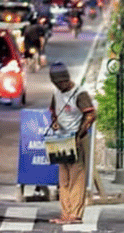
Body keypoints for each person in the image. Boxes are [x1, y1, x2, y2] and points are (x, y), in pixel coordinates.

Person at [48, 62, 96, 225]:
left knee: (77, 178)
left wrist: (78, 136)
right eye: (57, 83)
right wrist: (55, 124)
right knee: (64, 179)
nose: (60, 85)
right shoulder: (56, 93)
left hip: (77, 139)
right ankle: (65, 213)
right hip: (61, 140)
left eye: (62, 82)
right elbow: (53, 112)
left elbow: (90, 115)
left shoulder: (79, 94)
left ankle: (75, 214)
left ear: (67, 79)